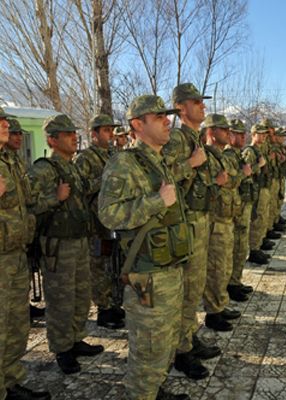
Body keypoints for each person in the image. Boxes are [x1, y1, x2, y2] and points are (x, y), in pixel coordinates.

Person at [98, 95, 191, 400]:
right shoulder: (124, 163)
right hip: (145, 276)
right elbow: (108, 214)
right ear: (138, 124)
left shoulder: (159, 161)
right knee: (148, 349)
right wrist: (156, 201)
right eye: (159, 117)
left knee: (165, 345)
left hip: (170, 269)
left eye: (167, 116)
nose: (167, 121)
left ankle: (156, 389)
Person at [28, 114, 104, 375]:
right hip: (57, 245)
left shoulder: (73, 166)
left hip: (79, 240)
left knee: (81, 295)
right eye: (67, 133)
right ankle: (62, 348)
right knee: (61, 298)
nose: (74, 137)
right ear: (52, 139)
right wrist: (55, 197)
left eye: (74, 132)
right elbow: (30, 206)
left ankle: (75, 338)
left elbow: (85, 190)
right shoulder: (43, 169)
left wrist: (107, 179)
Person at [163, 83, 221, 380]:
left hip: (199, 221)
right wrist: (190, 163)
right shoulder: (175, 139)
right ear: (181, 108)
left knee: (194, 288)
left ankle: (188, 337)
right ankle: (180, 351)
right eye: (197, 102)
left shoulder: (193, 138)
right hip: (183, 226)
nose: (203, 107)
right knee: (185, 291)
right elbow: (161, 178)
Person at [0, 107, 51, 400]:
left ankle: (10, 382)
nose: (6, 124)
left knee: (17, 324)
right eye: (1, 122)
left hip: (15, 254)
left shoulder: (10, 160)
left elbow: (27, 202)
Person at [75, 114, 125, 330]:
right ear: (93, 134)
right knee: (98, 265)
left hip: (116, 219)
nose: (111, 134)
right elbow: (80, 189)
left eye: (111, 130)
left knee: (114, 264)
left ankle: (114, 303)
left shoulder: (115, 154)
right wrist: (104, 178)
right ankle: (103, 309)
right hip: (96, 223)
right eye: (105, 130)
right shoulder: (85, 158)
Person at [202, 114, 243, 332]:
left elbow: (235, 179)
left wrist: (227, 181)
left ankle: (220, 304)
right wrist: (220, 182)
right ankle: (213, 312)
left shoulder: (221, 157)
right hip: (214, 221)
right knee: (216, 268)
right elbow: (206, 188)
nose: (228, 132)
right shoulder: (205, 157)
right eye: (223, 129)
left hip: (227, 218)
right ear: (210, 132)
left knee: (225, 266)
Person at [6, 118, 46, 320]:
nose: (18, 137)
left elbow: (26, 199)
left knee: (21, 286)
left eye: (20, 133)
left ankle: (25, 307)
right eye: (14, 133)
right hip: (6, 243)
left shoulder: (16, 162)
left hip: (20, 238)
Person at [225, 119, 256, 301]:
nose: (242, 137)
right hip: (234, 208)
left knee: (240, 246)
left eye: (243, 133)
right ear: (230, 135)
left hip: (241, 205)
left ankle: (236, 280)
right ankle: (231, 284)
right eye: (238, 134)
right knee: (235, 248)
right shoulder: (229, 156)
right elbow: (227, 182)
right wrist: (243, 174)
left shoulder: (238, 155)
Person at [246, 124, 271, 265]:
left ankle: (257, 245)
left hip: (261, 187)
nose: (263, 137)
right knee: (256, 219)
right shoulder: (250, 152)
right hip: (256, 189)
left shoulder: (258, 150)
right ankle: (253, 249)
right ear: (253, 134)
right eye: (260, 134)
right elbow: (246, 172)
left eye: (264, 134)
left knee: (262, 217)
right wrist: (259, 166)